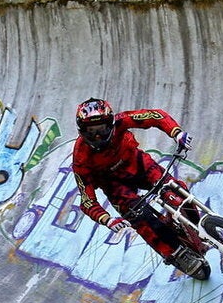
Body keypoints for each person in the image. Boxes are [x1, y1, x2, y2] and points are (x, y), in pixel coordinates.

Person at [71, 97, 208, 277]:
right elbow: (87, 200)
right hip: (114, 185)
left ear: (111, 124)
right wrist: (107, 220)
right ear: (82, 131)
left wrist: (176, 133)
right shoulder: (80, 157)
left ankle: (198, 225)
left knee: (176, 190)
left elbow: (155, 116)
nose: (97, 136)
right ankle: (175, 253)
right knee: (140, 218)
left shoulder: (121, 121)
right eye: (91, 131)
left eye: (102, 130)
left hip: (138, 165)